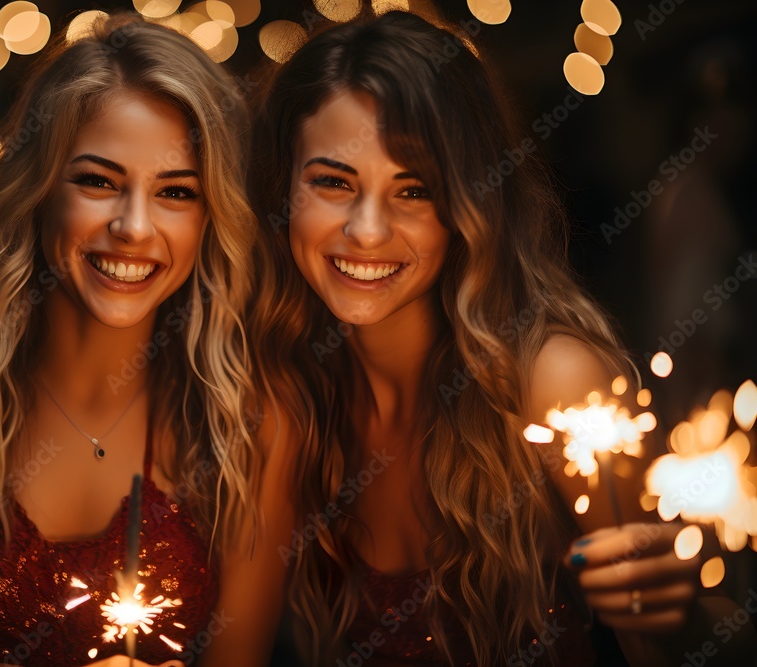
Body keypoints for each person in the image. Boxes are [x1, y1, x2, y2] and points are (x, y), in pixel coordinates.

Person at [248, 10, 756, 667]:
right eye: (333, 182)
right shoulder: (291, 394)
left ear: (469, 205)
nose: (367, 231)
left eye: (415, 189)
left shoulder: (556, 383)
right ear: (282, 187)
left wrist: (681, 612)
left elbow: (690, 637)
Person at [0, 15, 288, 667]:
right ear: (39, 188)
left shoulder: (252, 425)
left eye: (176, 192)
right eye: (98, 181)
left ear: (211, 217)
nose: (133, 225)